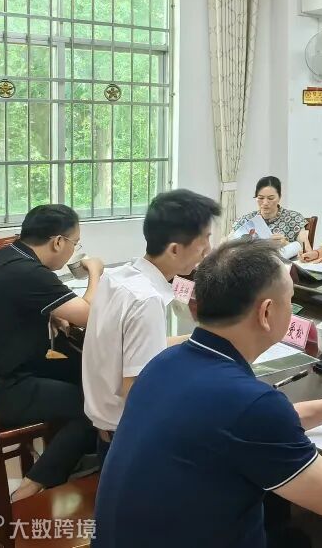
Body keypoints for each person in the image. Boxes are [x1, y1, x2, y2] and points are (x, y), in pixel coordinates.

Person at [92, 239, 322, 548]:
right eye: (290, 300)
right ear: (266, 313)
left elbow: (226, 427)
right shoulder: (249, 402)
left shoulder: (163, 363)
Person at [0, 204, 101, 501]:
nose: (74, 250)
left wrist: (52, 313)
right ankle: (31, 488)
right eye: (75, 243)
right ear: (58, 242)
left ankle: (78, 453)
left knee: (86, 372)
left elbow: (15, 305)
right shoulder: (29, 273)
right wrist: (96, 272)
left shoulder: (9, 256)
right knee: (91, 406)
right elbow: (89, 314)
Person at [83, 189, 221, 460]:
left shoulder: (118, 277)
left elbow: (130, 350)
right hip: (129, 440)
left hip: (105, 427)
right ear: (174, 249)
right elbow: (138, 392)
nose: (209, 249)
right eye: (204, 239)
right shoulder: (146, 300)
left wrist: (196, 339)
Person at [232, 176, 311, 254]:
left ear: (279, 197)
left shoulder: (294, 218)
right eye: (261, 198)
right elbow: (227, 244)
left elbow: (307, 251)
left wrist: (286, 244)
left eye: (270, 198)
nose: (265, 203)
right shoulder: (246, 220)